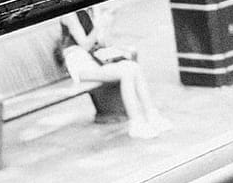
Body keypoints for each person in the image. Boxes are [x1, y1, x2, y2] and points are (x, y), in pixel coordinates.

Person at [58, 8, 170, 139]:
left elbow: (102, 43)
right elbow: (85, 45)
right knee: (126, 72)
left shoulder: (91, 10)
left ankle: (152, 114)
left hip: (94, 59)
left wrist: (106, 25)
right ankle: (136, 123)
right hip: (79, 62)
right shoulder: (69, 14)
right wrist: (99, 25)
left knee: (134, 67)